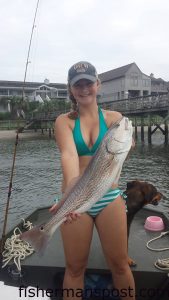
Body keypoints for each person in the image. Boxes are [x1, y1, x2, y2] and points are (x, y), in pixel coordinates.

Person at [50, 61, 135, 300]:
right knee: (75, 268)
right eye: (78, 84)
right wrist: (70, 198)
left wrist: (129, 141)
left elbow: (125, 147)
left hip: (108, 196)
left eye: (89, 82)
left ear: (98, 84)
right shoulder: (63, 122)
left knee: (119, 265)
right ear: (71, 89)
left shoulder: (115, 118)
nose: (84, 88)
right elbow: (68, 156)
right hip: (74, 198)